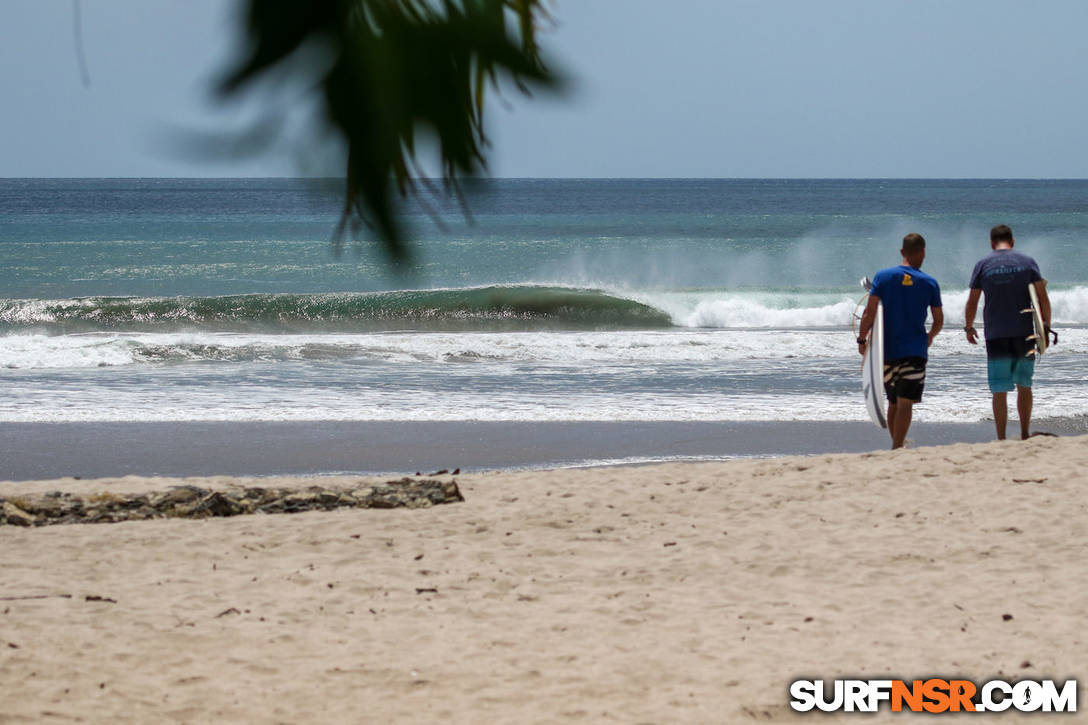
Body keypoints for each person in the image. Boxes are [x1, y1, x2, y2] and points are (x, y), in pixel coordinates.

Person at [963, 224, 1052, 440]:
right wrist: (1046, 327)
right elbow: (1042, 297)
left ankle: (1001, 437)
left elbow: (973, 301)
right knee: (1024, 385)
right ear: (1012, 242)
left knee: (999, 390)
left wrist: (968, 326)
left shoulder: (983, 264)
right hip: (1024, 333)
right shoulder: (1027, 262)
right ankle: (1023, 433)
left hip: (995, 334)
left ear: (992, 244)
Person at [857, 233, 944, 449]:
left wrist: (862, 339)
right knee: (906, 400)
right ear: (923, 252)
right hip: (915, 350)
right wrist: (929, 337)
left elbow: (869, 313)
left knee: (894, 401)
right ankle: (897, 446)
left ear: (902, 252)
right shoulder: (929, 283)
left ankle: (897, 445)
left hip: (885, 351)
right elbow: (939, 320)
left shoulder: (883, 277)